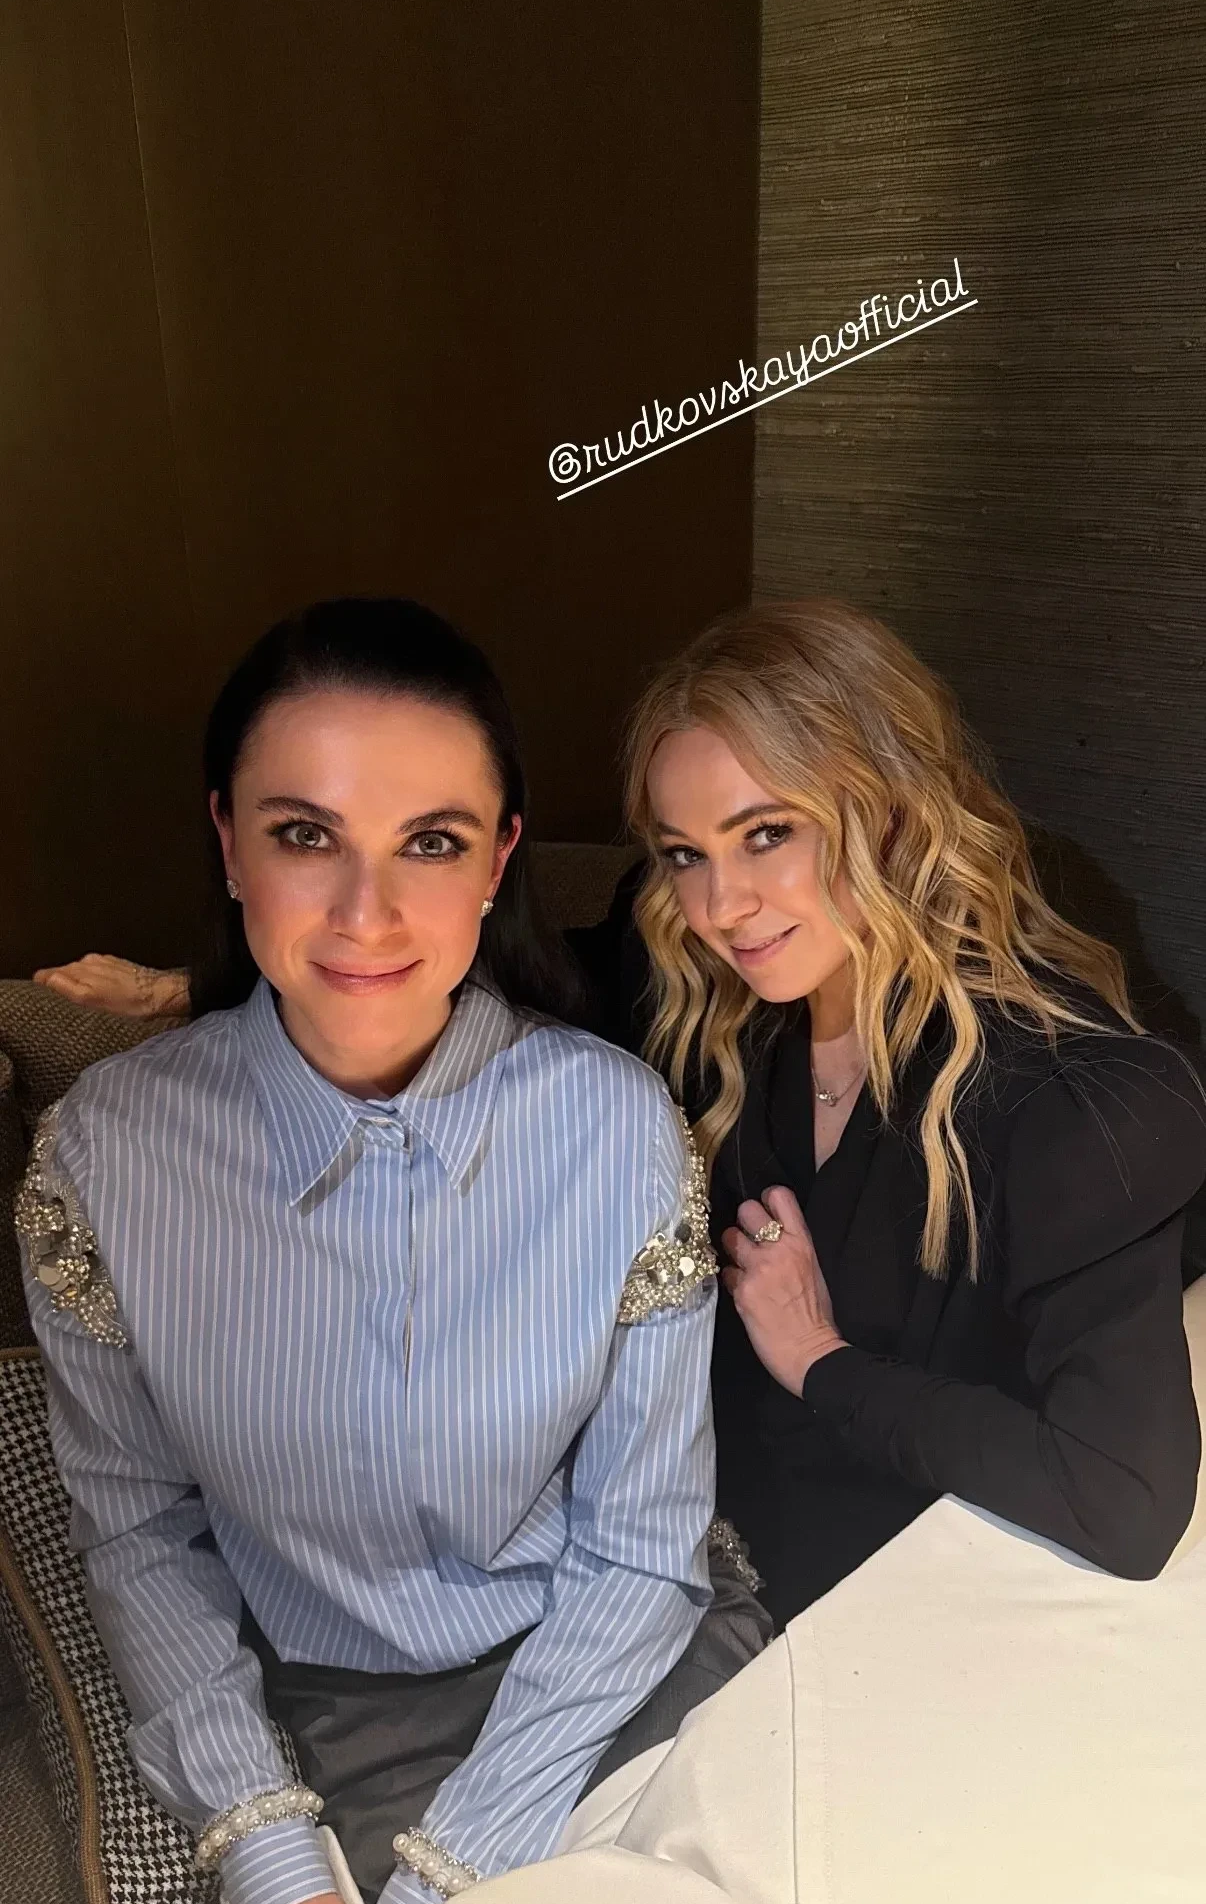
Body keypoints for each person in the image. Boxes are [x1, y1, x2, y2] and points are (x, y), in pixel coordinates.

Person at [32, 598, 1206, 1629]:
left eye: (768, 833)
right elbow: (439, 960)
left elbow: (1126, 1499)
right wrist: (194, 989)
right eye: (685, 852)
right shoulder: (701, 984)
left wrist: (822, 1359)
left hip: (904, 1607)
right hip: (681, 1576)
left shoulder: (1073, 1107)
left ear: (892, 812)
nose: (722, 903)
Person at [17, 597, 770, 1904]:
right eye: (306, 834)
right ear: (227, 840)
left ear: (497, 862)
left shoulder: (617, 1130)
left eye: (430, 841)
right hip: (338, 1722)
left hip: (627, 1668)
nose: (366, 914)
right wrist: (274, 1860)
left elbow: (639, 1548)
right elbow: (139, 1536)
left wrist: (444, 1884)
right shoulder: (105, 1159)